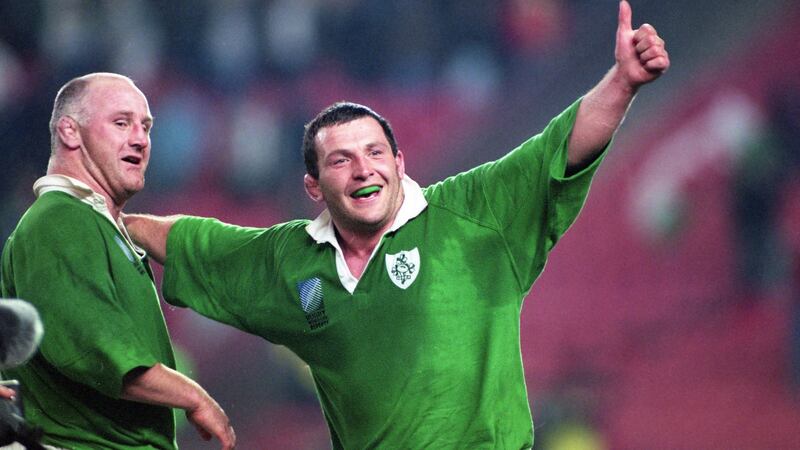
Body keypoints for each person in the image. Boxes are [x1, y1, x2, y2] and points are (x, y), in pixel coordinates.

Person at [125, 2, 668, 447]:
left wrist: (623, 83)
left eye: (375, 152)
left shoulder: (469, 212)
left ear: (400, 163)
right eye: (341, 160)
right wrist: (108, 219)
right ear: (314, 187)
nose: (364, 168)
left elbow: (560, 148)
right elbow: (195, 242)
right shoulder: (290, 262)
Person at [0, 73, 236, 450]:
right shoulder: (59, 221)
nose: (141, 139)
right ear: (70, 132)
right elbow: (94, 349)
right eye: (121, 122)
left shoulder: (96, 225)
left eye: (146, 126)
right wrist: (193, 396)